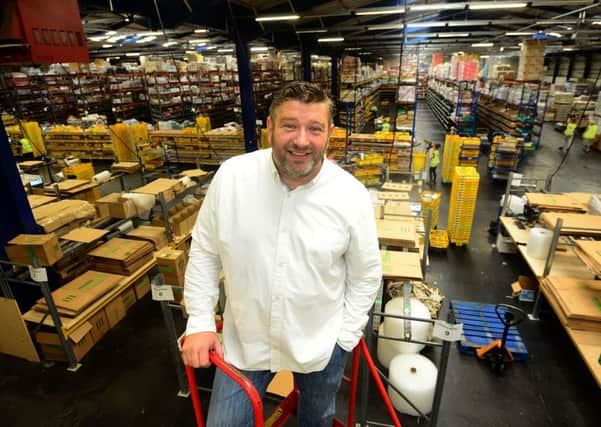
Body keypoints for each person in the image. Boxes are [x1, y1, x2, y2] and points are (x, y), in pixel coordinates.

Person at [182, 81, 382, 426]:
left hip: (319, 343)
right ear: (270, 128)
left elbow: (365, 274)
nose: (301, 140)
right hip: (246, 339)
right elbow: (204, 251)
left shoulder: (351, 195)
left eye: (314, 129)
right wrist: (200, 321)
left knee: (316, 419)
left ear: (330, 134)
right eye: (289, 125)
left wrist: (344, 337)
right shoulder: (232, 178)